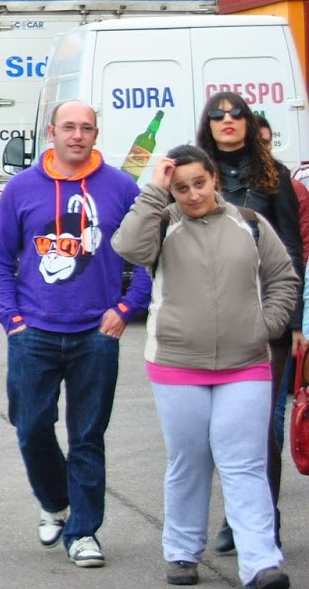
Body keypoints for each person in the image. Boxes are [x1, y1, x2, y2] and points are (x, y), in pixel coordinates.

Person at [112, 145, 298, 589]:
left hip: (246, 364)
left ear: (214, 178)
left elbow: (284, 278)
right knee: (189, 461)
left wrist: (264, 326)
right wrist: (155, 191)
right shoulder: (162, 223)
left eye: (200, 183)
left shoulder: (249, 223)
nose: (193, 194)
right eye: (182, 188)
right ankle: (181, 553)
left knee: (244, 463)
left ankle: (259, 562)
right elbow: (127, 247)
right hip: (176, 364)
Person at [0, 100, 152, 569]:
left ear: (96, 134)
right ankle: (55, 501)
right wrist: (12, 321)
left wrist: (125, 308)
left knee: (87, 437)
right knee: (31, 428)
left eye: (86, 128)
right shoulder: (22, 189)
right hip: (33, 333)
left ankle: (82, 532)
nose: (77, 135)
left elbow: (147, 255)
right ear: (52, 132)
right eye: (68, 127)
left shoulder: (122, 188)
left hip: (96, 336)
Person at [197, 92, 303, 556]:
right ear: (208, 124)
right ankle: (235, 514)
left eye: (235, 113)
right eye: (218, 115)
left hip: (264, 319)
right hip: (207, 318)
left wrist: (292, 319)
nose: (227, 120)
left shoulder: (274, 177)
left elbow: (292, 251)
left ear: (247, 121)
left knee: (260, 427)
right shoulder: (196, 174)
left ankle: (263, 520)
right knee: (216, 428)